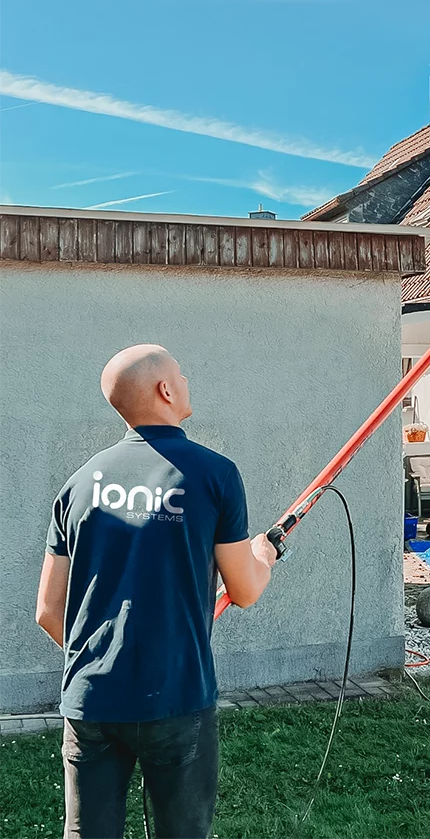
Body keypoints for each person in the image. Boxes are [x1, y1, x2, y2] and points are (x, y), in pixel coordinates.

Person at [35, 344, 279, 839]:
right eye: (181, 375)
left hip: (92, 700)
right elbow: (246, 589)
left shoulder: (79, 484)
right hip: (177, 698)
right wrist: (264, 554)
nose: (187, 382)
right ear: (165, 390)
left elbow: (46, 610)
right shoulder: (215, 474)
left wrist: (105, 662)